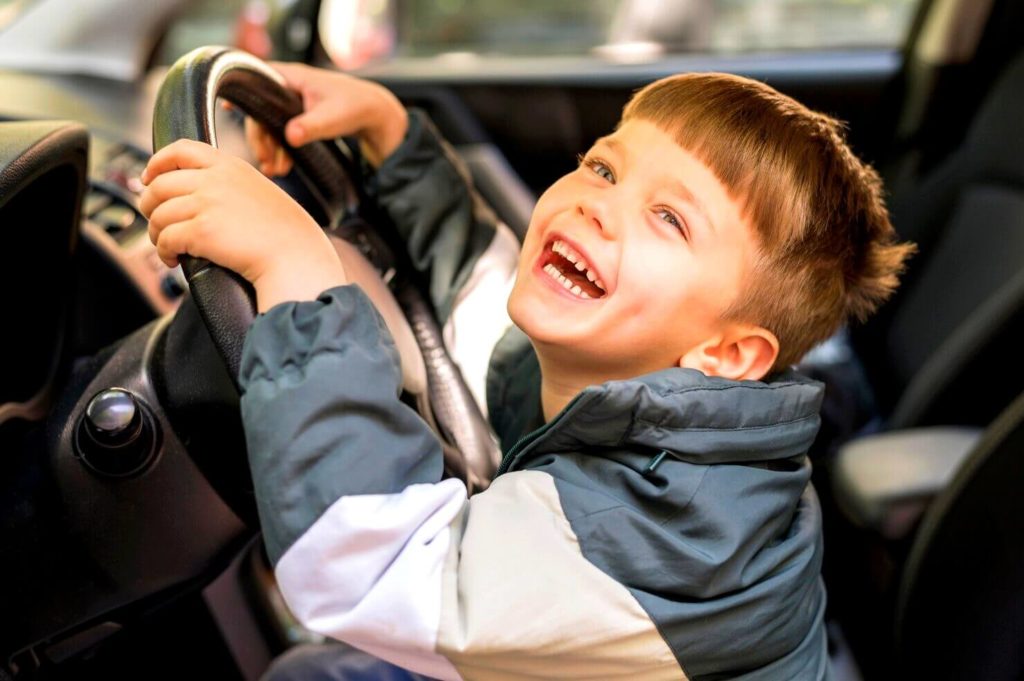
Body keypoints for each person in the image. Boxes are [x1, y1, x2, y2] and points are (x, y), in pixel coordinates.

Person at [139, 63, 913, 679]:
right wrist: (391, 134)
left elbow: (365, 568)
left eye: (669, 219)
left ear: (726, 353)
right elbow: (481, 300)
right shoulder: (621, 393)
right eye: (604, 168)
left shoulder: (666, 534)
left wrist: (297, 273)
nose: (596, 207)